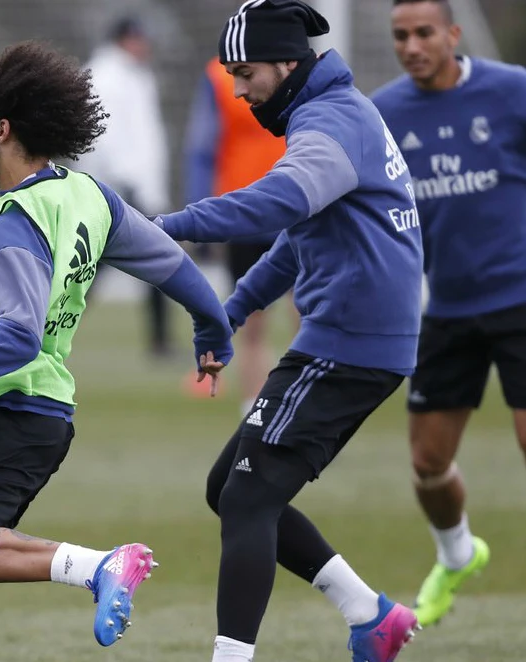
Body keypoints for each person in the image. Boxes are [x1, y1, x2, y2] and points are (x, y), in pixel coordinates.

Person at [0, 40, 234, 662]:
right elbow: (170, 261)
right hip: (36, 413)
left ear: (3, 130)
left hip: (7, 410)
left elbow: (19, 335)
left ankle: (100, 566)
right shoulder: (89, 197)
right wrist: (213, 329)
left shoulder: (12, 223)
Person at [154, 2, 424, 660]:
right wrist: (232, 310)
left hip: (349, 344)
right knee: (231, 488)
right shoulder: (328, 110)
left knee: (247, 494)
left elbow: (279, 200)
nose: (238, 89)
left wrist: (163, 226)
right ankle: (370, 615)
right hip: (348, 339)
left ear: (285, 62)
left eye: (245, 73)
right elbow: (295, 237)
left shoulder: (329, 118)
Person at [372, 0, 523, 627]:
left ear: (454, 35)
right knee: (428, 465)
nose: (411, 45)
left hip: (520, 300)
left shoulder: (513, 93)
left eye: (424, 32)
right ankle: (457, 553)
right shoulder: (383, 113)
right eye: (401, 35)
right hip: (446, 309)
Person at [184, 54, 293, 413]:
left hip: (298, 205)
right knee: (252, 319)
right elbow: (203, 148)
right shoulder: (218, 75)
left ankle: (301, 402)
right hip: (246, 210)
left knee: (307, 313)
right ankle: (254, 408)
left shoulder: (296, 65)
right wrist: (203, 219)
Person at [76, 16, 176, 357]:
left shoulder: (138, 76)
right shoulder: (104, 74)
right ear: (124, 39)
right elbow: (102, 133)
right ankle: (45, 326)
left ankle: (160, 341)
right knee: (90, 269)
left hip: (139, 189)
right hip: (115, 189)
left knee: (153, 261)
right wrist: (126, 180)